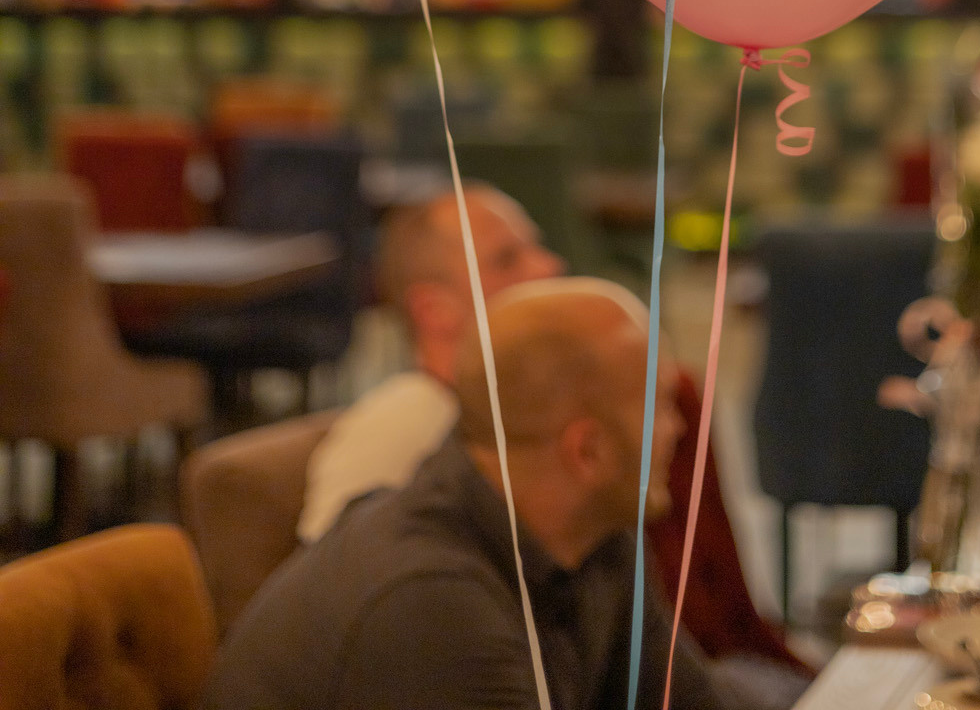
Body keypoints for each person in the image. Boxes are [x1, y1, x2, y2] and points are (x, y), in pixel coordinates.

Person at [301, 185, 807, 701]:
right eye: (507, 258)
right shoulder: (432, 572)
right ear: (585, 451)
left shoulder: (593, 532)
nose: (548, 267)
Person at [206, 279, 736, 710]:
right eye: (661, 407)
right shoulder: (432, 604)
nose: (677, 429)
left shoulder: (599, 538)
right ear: (588, 452)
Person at [299, 183, 562, 540]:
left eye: (538, 247)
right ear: (434, 309)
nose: (549, 267)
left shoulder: (517, 417)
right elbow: (335, 584)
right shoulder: (400, 429)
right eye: (506, 259)